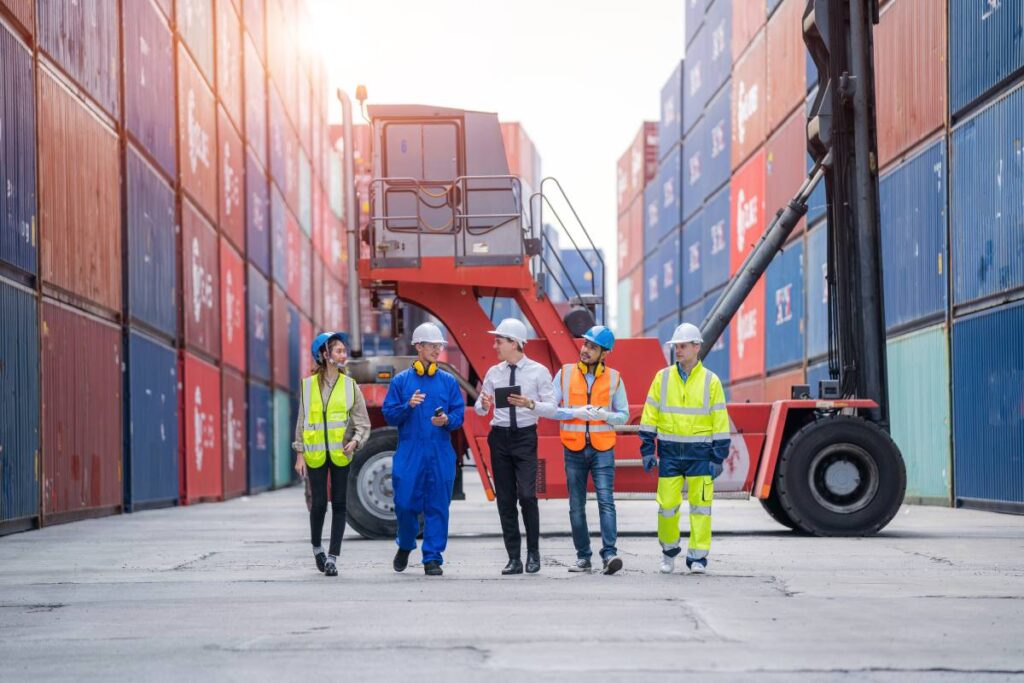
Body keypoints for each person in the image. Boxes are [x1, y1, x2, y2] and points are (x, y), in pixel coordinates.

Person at [525, 325, 628, 574]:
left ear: (604, 353)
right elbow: (550, 408)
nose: (586, 350)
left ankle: (610, 554)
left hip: (603, 448)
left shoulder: (614, 378)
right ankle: (583, 557)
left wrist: (605, 415)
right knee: (576, 505)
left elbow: (623, 416)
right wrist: (573, 413)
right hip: (573, 448)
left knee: (606, 502)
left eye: (593, 347)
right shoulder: (564, 373)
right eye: (585, 345)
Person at [639, 322, 730, 574]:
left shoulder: (711, 381)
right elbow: (650, 415)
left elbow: (720, 420)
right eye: (675, 346)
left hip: (700, 455)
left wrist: (718, 456)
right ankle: (669, 552)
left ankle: (698, 558)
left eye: (682, 346)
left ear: (696, 347)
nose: (677, 350)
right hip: (669, 454)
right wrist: (647, 449)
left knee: (701, 508)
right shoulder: (663, 378)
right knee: (667, 507)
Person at [382, 322, 465, 576]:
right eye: (431, 345)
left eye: (439, 345)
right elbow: (389, 415)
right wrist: (408, 405)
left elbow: (459, 413)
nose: (436, 350)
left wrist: (447, 420)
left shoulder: (448, 382)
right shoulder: (401, 382)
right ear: (418, 347)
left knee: (438, 505)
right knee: (405, 503)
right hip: (410, 452)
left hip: (440, 452)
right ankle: (406, 544)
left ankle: (432, 557)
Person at [475, 318, 555, 575]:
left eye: (499, 340)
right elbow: (479, 407)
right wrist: (485, 405)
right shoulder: (493, 373)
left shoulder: (538, 371)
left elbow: (552, 408)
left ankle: (533, 553)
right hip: (499, 439)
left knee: (528, 496)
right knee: (505, 500)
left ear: (514, 342)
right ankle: (514, 558)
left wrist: (530, 404)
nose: (495, 345)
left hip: (524, 438)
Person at [293, 332, 371, 577]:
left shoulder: (351, 386)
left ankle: (333, 558)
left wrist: (356, 441)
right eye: (338, 350)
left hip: (340, 454)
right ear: (324, 355)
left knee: (339, 504)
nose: (343, 354)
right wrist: (299, 454)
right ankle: (317, 549)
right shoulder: (307, 386)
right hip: (315, 454)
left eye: (343, 350)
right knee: (318, 505)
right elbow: (302, 421)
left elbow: (363, 423)